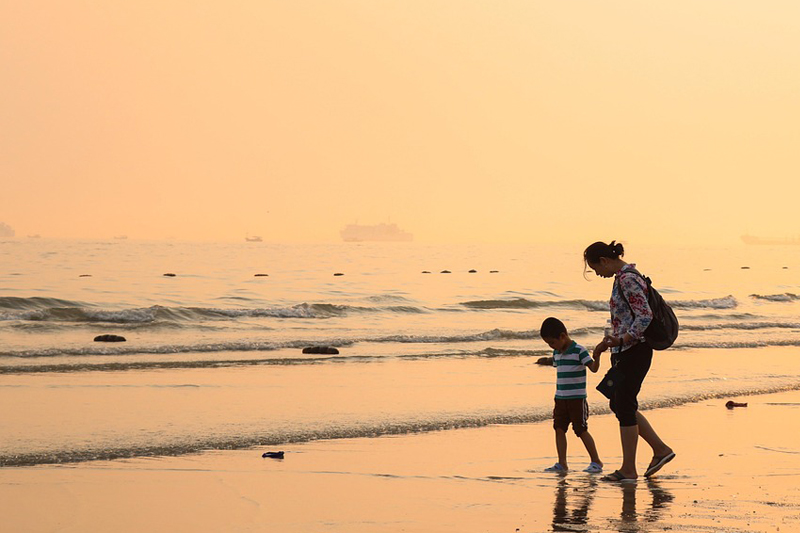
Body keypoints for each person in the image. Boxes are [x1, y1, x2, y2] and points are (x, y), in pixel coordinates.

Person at [584, 241, 675, 482]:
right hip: (626, 349)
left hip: (636, 350)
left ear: (604, 260)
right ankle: (660, 449)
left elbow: (645, 315)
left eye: (595, 269)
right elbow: (627, 315)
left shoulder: (627, 279)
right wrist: (611, 341)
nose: (598, 274)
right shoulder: (624, 278)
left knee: (624, 405)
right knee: (618, 402)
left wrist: (624, 338)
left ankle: (628, 470)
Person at [540, 317, 603, 474]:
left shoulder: (579, 351)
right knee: (559, 428)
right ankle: (562, 463)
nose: (552, 346)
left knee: (580, 429)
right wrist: (544, 361)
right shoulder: (557, 352)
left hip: (577, 399)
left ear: (562, 336)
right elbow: (555, 363)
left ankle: (596, 461)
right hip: (560, 398)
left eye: (552, 343)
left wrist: (597, 356)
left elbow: (594, 368)